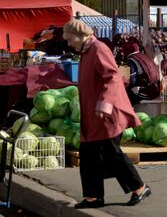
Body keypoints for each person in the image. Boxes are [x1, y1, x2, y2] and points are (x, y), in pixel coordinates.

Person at [62, 20, 152, 209]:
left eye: (70, 40)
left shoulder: (98, 49)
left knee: (111, 152)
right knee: (89, 153)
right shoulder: (86, 51)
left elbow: (112, 78)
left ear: (80, 37)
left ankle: (140, 188)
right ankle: (93, 197)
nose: (69, 44)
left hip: (107, 113)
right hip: (94, 114)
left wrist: (104, 104)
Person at [122, 40, 162, 105]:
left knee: (124, 93)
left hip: (147, 92)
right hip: (156, 90)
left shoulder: (131, 60)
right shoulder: (145, 56)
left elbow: (129, 80)